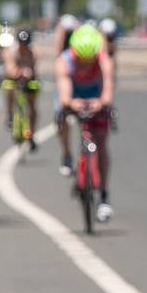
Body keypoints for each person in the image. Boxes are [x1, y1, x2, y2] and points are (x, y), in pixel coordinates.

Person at [55, 24, 116, 222]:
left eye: (90, 60)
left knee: (101, 145)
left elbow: (107, 91)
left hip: (95, 97)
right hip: (74, 96)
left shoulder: (104, 60)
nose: (86, 64)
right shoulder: (64, 61)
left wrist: (102, 103)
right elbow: (64, 97)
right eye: (82, 60)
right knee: (61, 117)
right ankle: (66, 153)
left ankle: (104, 195)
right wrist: (72, 103)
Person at [2, 28, 39, 150]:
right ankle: (9, 115)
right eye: (21, 44)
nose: (23, 47)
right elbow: (10, 69)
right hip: (13, 79)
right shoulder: (10, 51)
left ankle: (31, 133)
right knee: (8, 87)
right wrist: (20, 72)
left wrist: (28, 73)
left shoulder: (33, 52)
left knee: (32, 105)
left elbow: (33, 70)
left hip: (28, 80)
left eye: (25, 44)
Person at [55, 14, 80, 176]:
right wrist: (61, 33)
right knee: (61, 117)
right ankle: (66, 153)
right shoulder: (64, 57)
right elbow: (58, 54)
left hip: (81, 84)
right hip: (66, 82)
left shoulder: (83, 45)